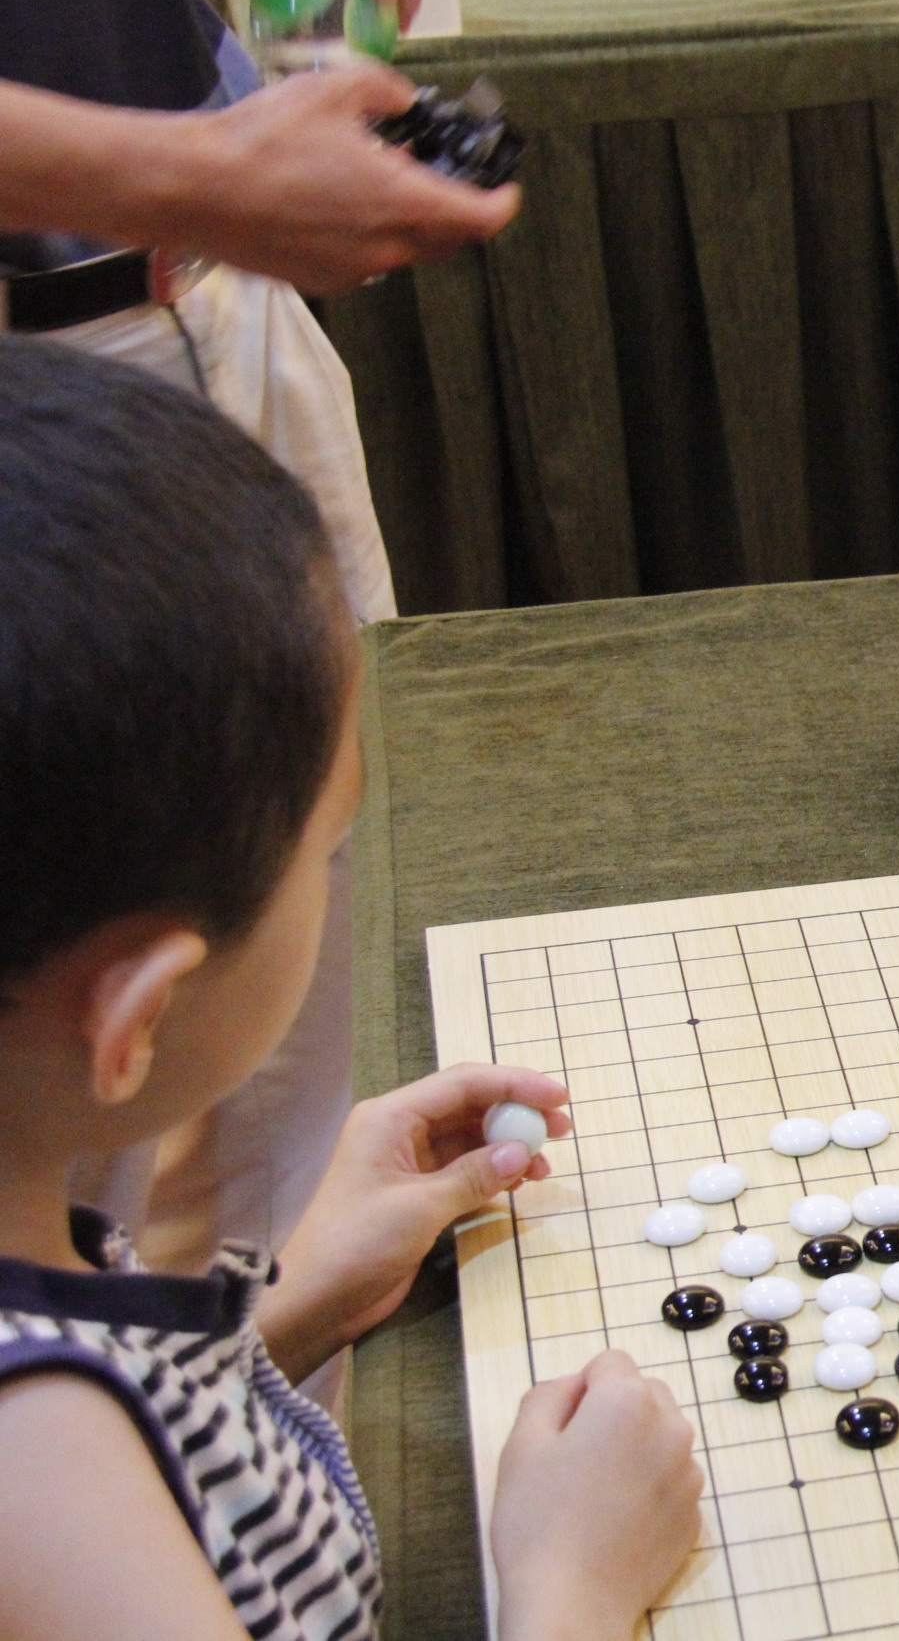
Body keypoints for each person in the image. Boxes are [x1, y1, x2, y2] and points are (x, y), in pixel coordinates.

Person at [0, 339, 703, 1641]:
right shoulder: (39, 1482)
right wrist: (569, 1586)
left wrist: (300, 1289)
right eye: (329, 848)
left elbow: (147, 1408)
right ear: (138, 1012)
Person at [0, 0, 516, 1289]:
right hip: (47, 388)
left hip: (218, 294)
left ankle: (267, 1358)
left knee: (304, 897)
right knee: (72, 1028)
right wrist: (183, 176)